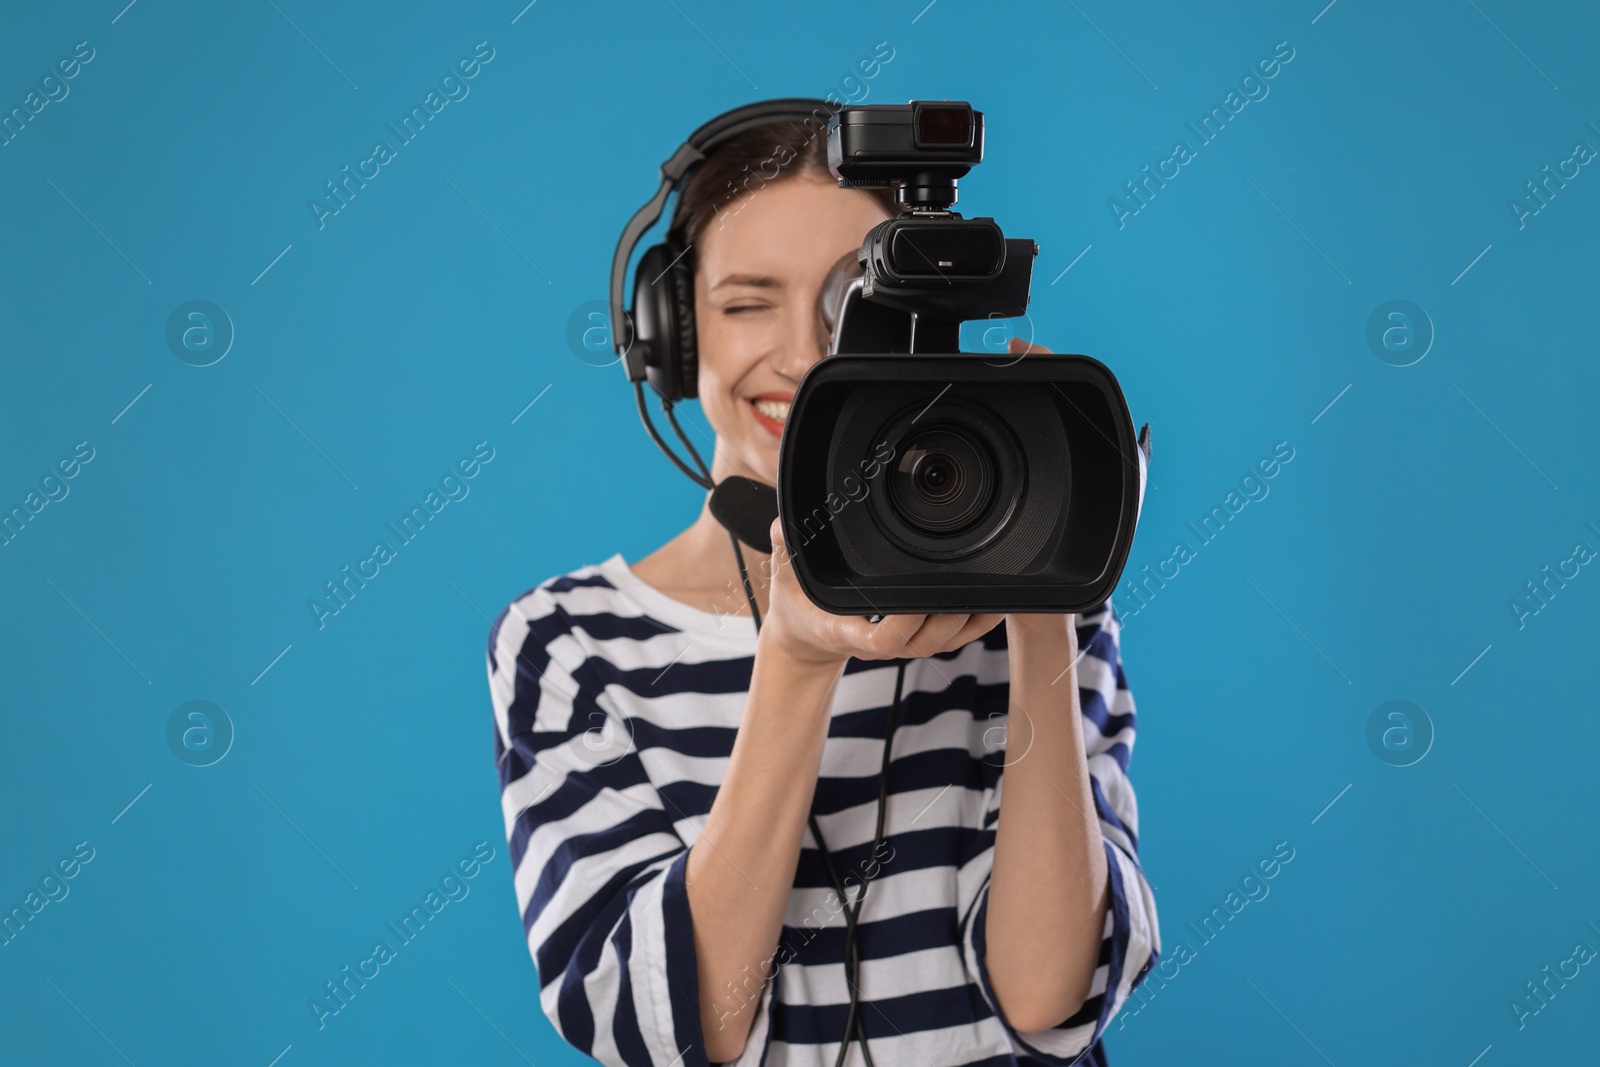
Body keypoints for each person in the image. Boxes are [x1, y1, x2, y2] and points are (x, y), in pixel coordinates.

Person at [485, 102, 1159, 1067]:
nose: (802, 355)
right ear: (672, 337)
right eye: (747, 301)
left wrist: (1042, 577)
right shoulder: (568, 642)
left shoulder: (1039, 595)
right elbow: (671, 1029)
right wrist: (796, 659)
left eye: (849, 302)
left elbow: (1054, 1001)